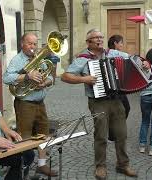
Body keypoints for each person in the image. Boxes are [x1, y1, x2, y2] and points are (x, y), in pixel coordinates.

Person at [61, 29, 138, 179]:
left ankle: (123, 164)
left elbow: (131, 59)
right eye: (96, 38)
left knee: (121, 134)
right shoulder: (82, 59)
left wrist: (145, 62)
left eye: (101, 37)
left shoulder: (113, 53)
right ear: (88, 42)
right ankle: (100, 166)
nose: (100, 40)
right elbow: (65, 76)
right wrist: (84, 79)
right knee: (101, 135)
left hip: (116, 100)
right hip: (98, 102)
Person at [3, 33, 58, 177]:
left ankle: (41, 165)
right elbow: (7, 77)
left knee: (43, 133)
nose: (33, 47)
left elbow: (51, 77)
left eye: (35, 44)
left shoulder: (39, 58)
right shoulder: (17, 60)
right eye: (30, 43)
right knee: (25, 135)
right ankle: (23, 165)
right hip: (25, 103)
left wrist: (44, 82)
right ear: (22, 44)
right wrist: (27, 76)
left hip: (40, 102)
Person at [107, 35, 130, 118]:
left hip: (118, 86)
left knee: (124, 107)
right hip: (115, 87)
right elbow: (129, 56)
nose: (122, 45)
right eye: (121, 43)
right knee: (126, 107)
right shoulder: (111, 52)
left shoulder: (116, 54)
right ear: (115, 43)